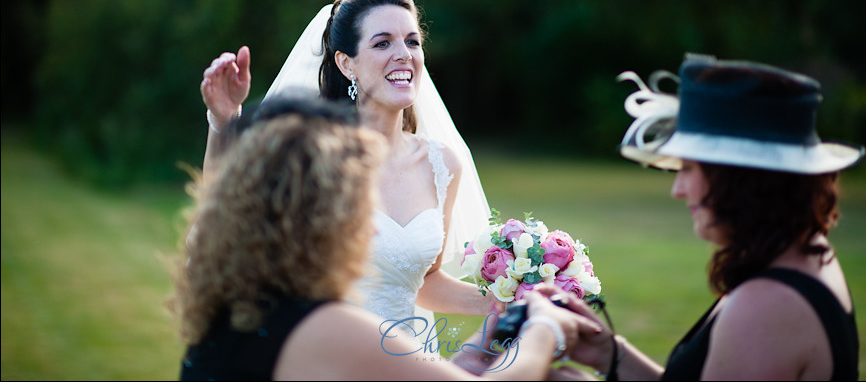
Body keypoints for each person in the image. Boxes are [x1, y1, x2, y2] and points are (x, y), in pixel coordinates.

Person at [171, 93, 601, 380]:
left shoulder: (233, 315)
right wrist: (544, 329)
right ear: (324, 218)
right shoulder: (324, 325)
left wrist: (482, 343)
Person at [199, 0, 495, 335]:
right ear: (346, 64)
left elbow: (422, 281)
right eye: (383, 42)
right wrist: (224, 120)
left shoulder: (442, 165)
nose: (404, 54)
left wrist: (507, 300)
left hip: (414, 359)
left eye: (412, 41)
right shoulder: (311, 158)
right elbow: (222, 223)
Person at [557, 54, 864, 381]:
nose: (678, 189)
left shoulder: (766, 306)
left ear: (739, 179)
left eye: (688, 168)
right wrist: (610, 355)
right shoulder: (802, 256)